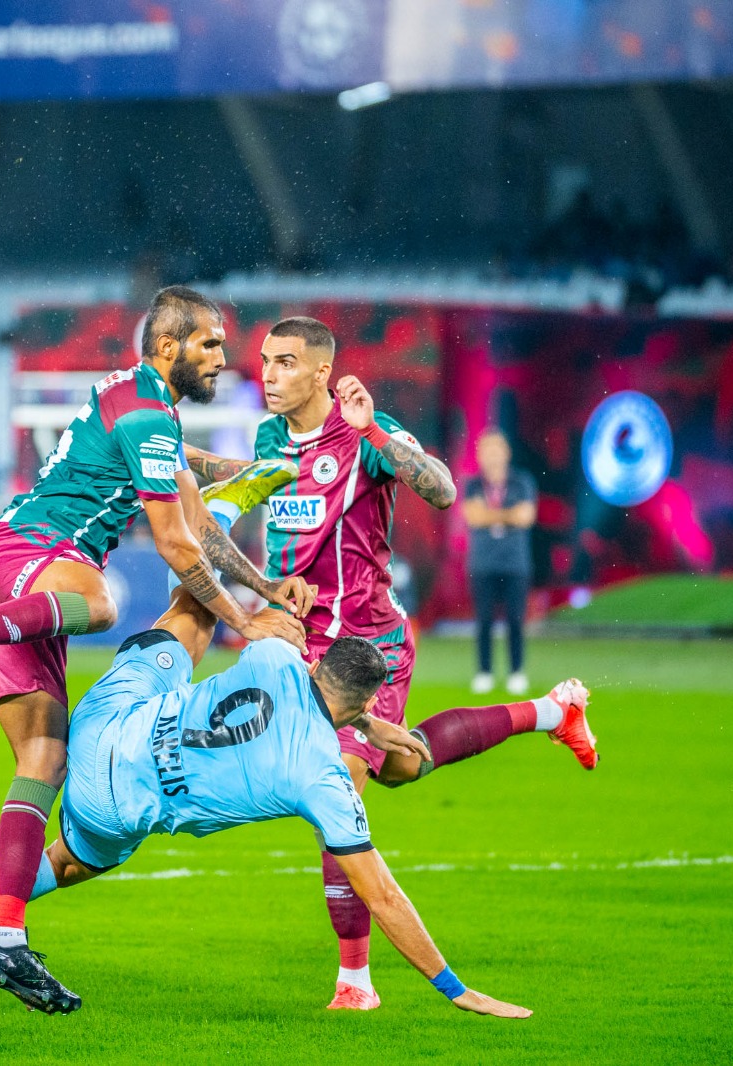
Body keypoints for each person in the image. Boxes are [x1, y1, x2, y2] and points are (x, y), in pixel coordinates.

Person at [0, 285, 313, 1009]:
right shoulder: (147, 415)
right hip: (36, 555)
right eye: (210, 344)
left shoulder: (140, 400)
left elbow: (199, 523)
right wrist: (246, 621)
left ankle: (5, 943)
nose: (223, 359)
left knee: (44, 760)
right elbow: (176, 544)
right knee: (107, 603)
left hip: (13, 578)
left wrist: (262, 583)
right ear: (168, 346)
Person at [0, 588, 559, 1020]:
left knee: (191, 613)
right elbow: (386, 897)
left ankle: (209, 501)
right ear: (368, 699)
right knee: (67, 865)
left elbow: (278, 633)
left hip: (103, 722)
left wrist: (287, 618)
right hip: (113, 804)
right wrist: (455, 988)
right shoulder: (323, 779)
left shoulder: (279, 658)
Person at [186, 317, 597, 1011]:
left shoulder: (366, 433)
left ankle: (355, 982)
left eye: (286, 363)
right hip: (298, 648)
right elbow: (259, 490)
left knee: (334, 795)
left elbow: (439, 489)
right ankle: (553, 712)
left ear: (323, 372)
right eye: (264, 361)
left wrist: (375, 430)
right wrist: (187, 467)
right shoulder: (267, 438)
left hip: (367, 647)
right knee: (407, 766)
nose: (269, 373)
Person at [461, 429, 538, 695]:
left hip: (515, 563)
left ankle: (516, 672)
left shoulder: (522, 482)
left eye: (497, 450)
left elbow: (526, 516)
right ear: (480, 455)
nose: (493, 456)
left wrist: (490, 514)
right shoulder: (472, 485)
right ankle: (484, 672)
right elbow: (473, 517)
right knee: (483, 621)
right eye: (487, 450)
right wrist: (508, 515)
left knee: (516, 621)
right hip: (482, 563)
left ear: (507, 453)